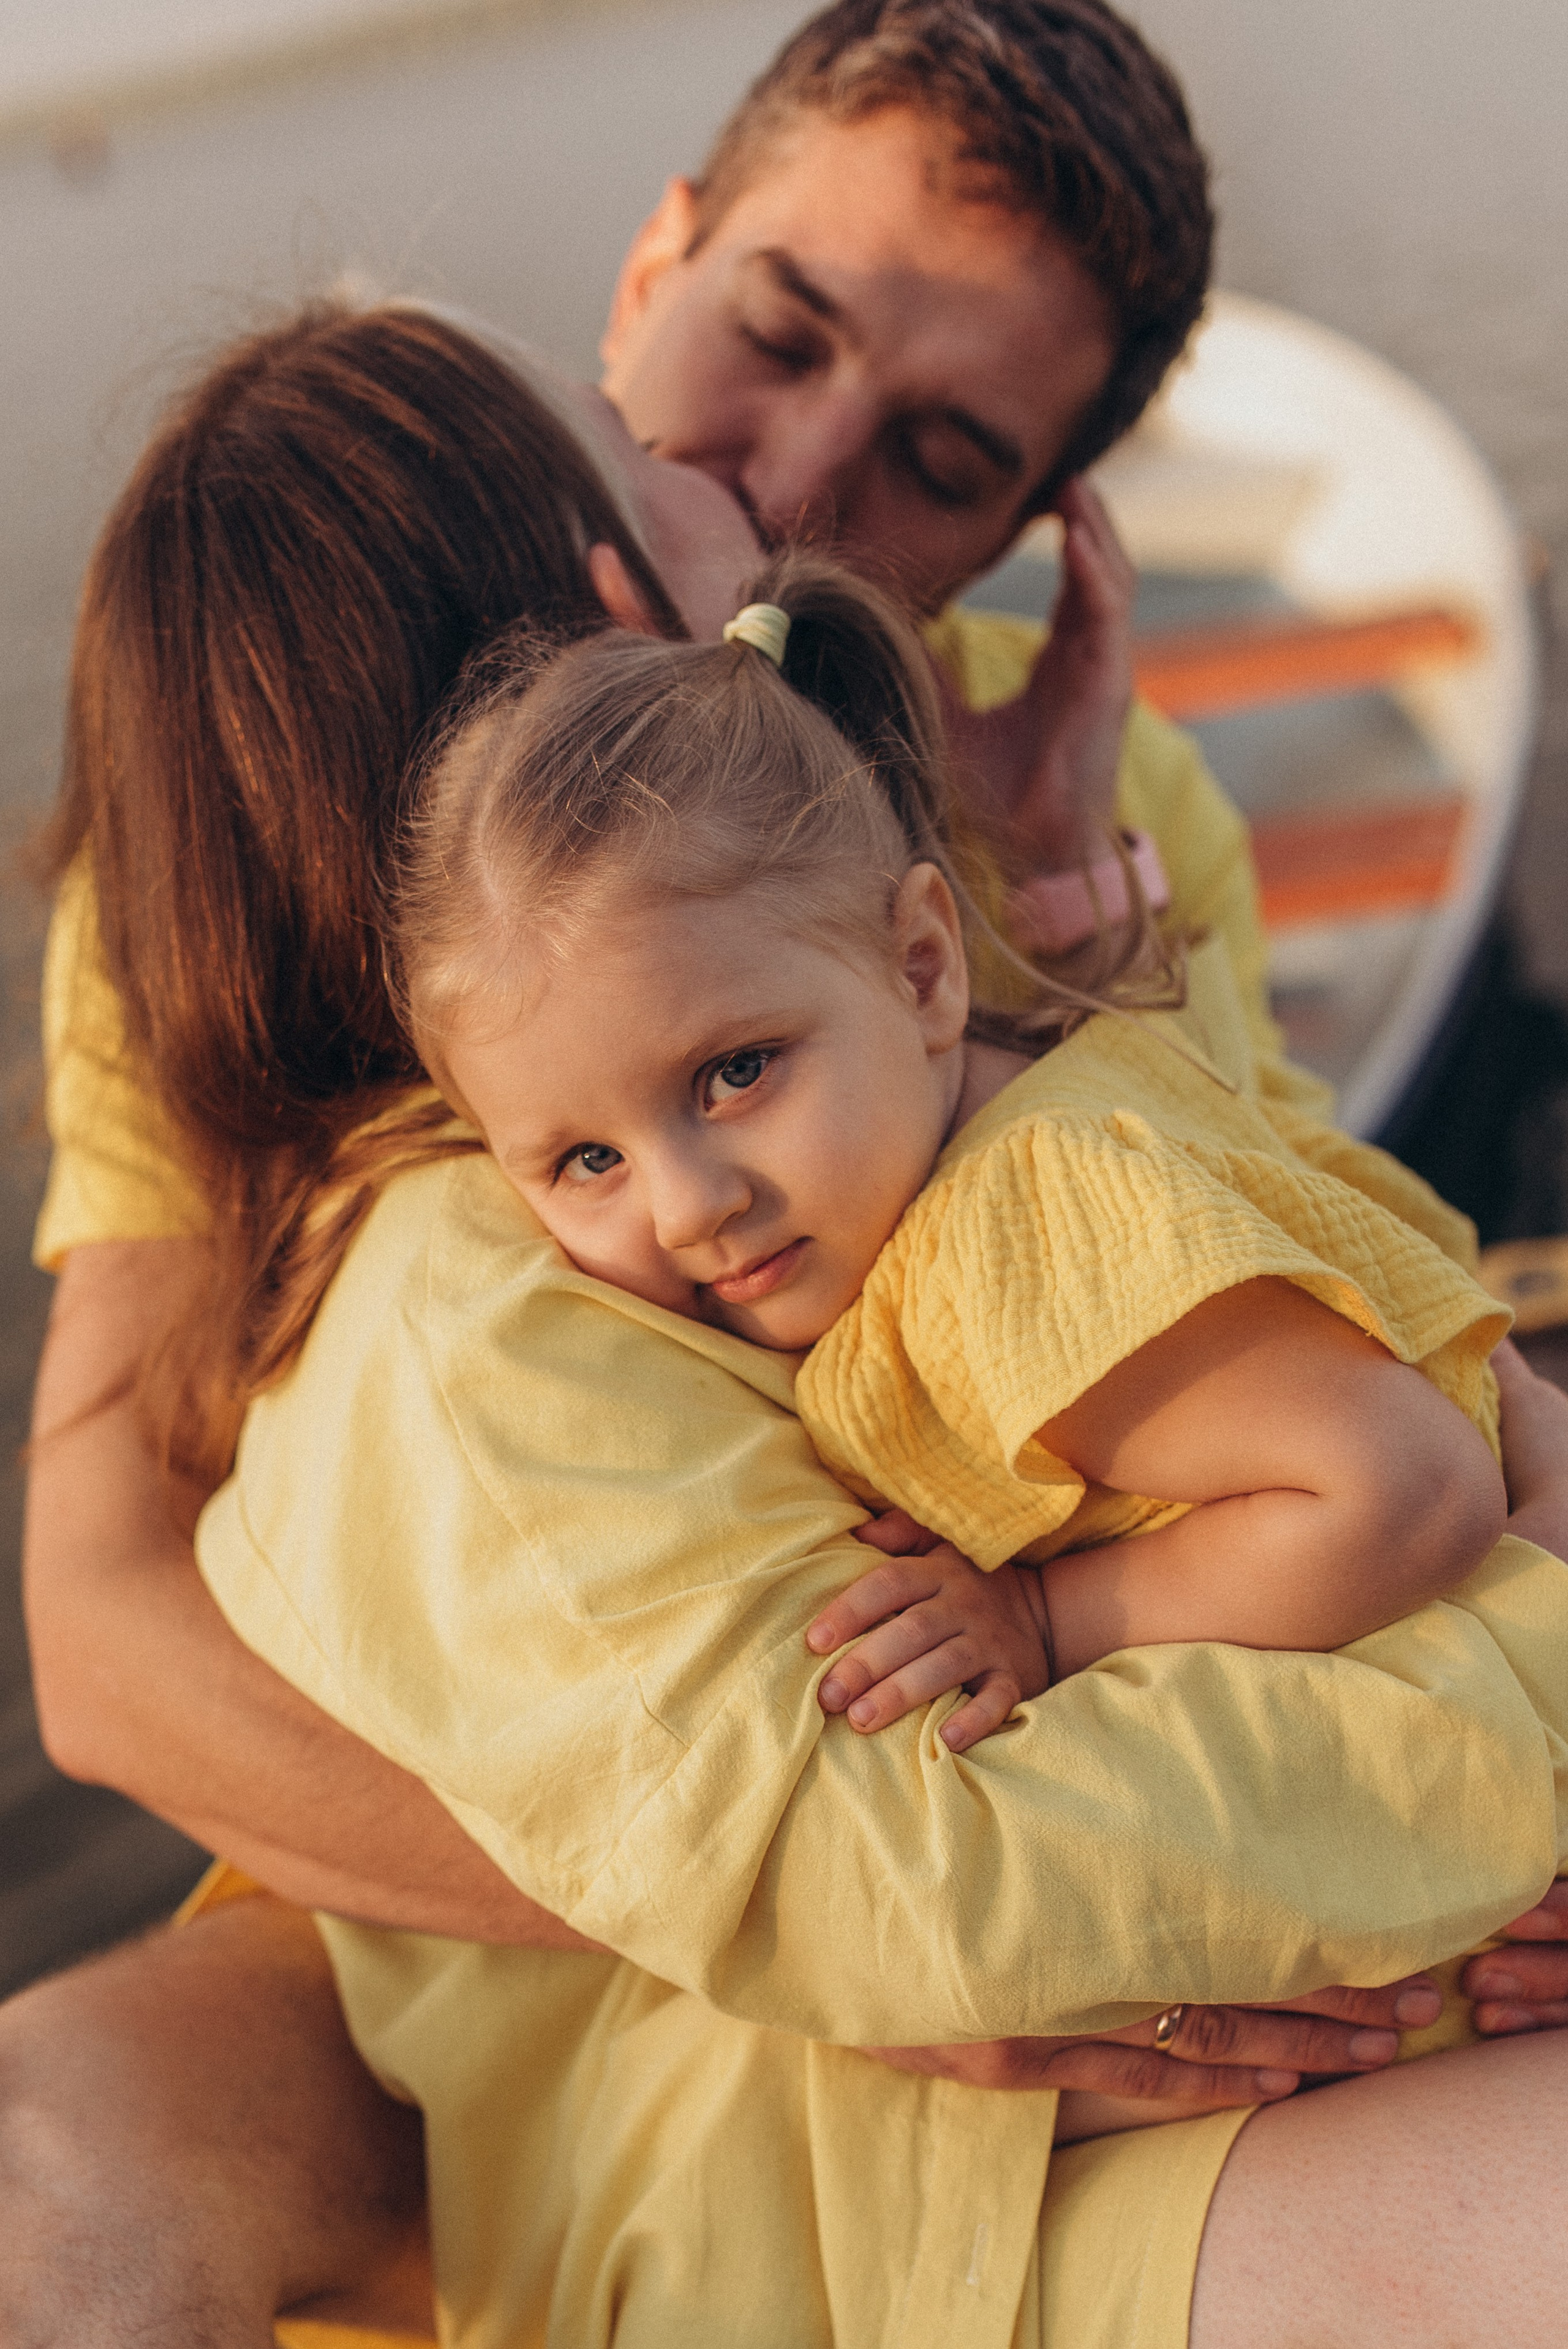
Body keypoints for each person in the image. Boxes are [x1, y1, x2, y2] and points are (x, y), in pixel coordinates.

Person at [10, 294, 1568, 2347]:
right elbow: (878, 1872)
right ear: (571, 621)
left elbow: (1323, 1248)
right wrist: (1491, 1809)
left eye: (950, 454)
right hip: (873, 2189)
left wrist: (1069, 895)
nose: (766, 484)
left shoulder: (865, 994)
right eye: (634, 452)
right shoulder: (490, 1303)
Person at [383, 554, 1520, 1757]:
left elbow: (1414, 1490)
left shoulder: (1014, 1239)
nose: (683, 1209)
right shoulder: (969, 1111)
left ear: (923, 967)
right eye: (584, 1159)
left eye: (734, 1073)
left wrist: (1043, 1616)